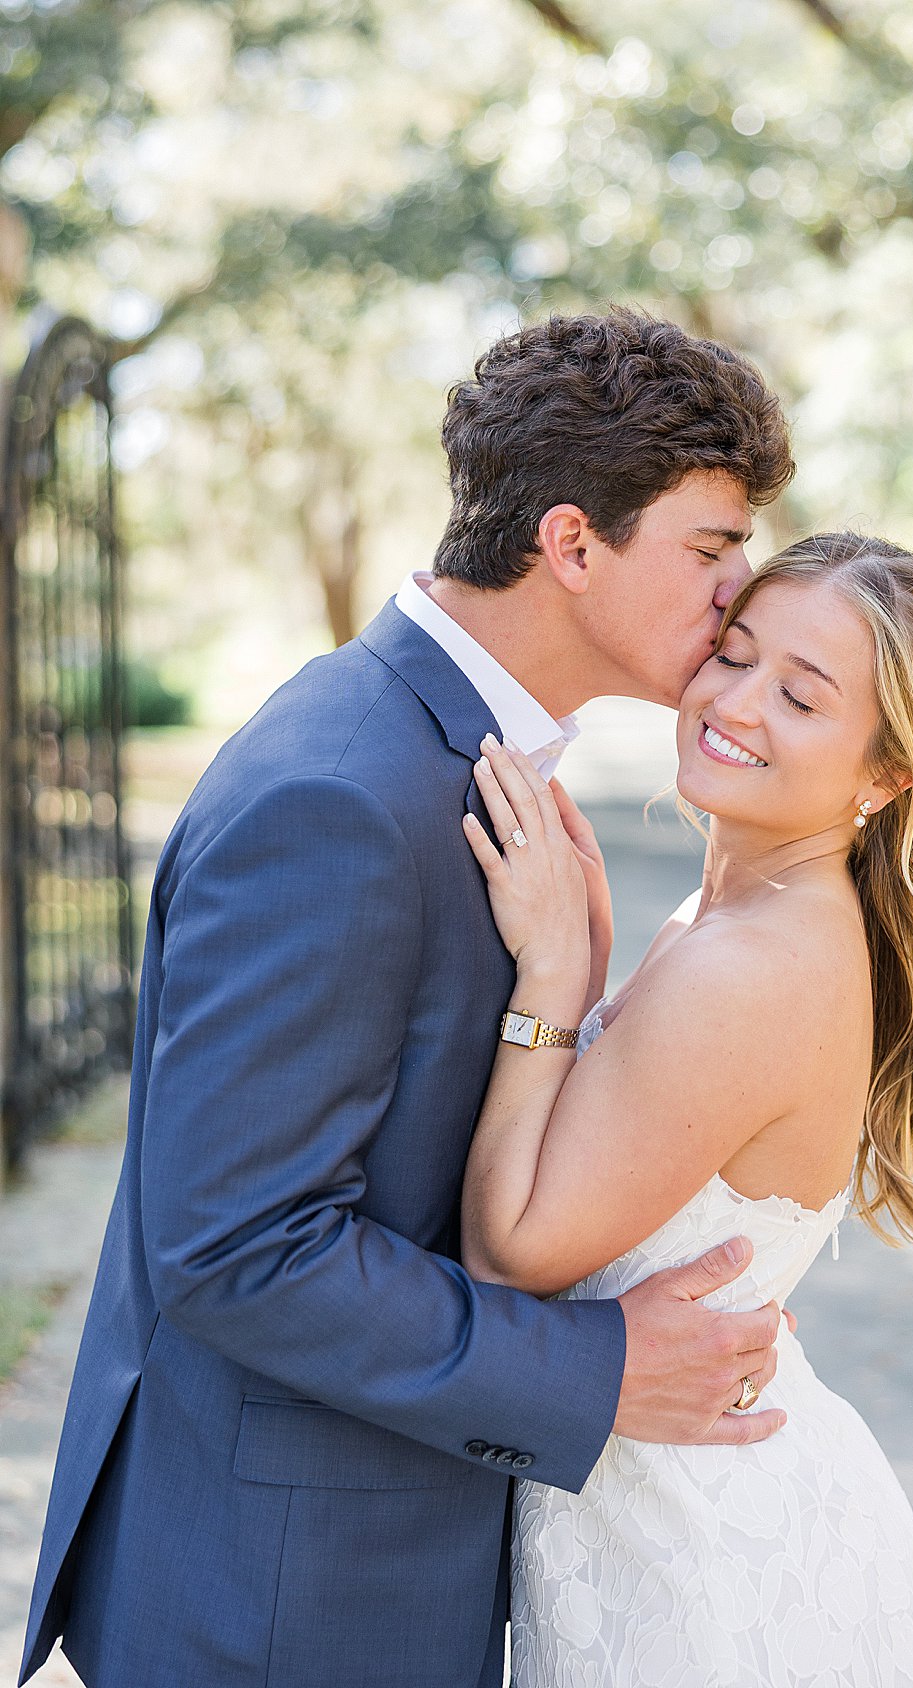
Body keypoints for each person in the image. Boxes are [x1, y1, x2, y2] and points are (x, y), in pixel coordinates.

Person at [21, 309, 797, 1688]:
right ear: (572, 544)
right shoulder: (340, 794)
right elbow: (237, 1243)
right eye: (711, 548)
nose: (740, 592)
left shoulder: (447, 750)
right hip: (282, 1604)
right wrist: (595, 1370)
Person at [459, 531, 913, 1686]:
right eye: (733, 653)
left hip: (698, 1572)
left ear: (884, 774)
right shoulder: (733, 916)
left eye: (801, 695)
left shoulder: (752, 964)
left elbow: (509, 1244)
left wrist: (554, 981)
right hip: (681, 1515)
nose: (734, 702)